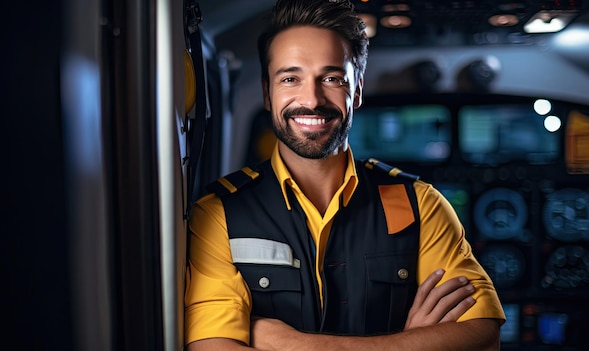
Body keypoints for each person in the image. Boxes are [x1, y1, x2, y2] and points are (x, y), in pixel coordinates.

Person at [184, 0, 506, 350]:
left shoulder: (419, 204)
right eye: (291, 78)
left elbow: (481, 334)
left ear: (356, 92)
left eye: (332, 78)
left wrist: (287, 342)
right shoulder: (219, 215)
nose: (312, 98)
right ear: (267, 92)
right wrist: (408, 343)